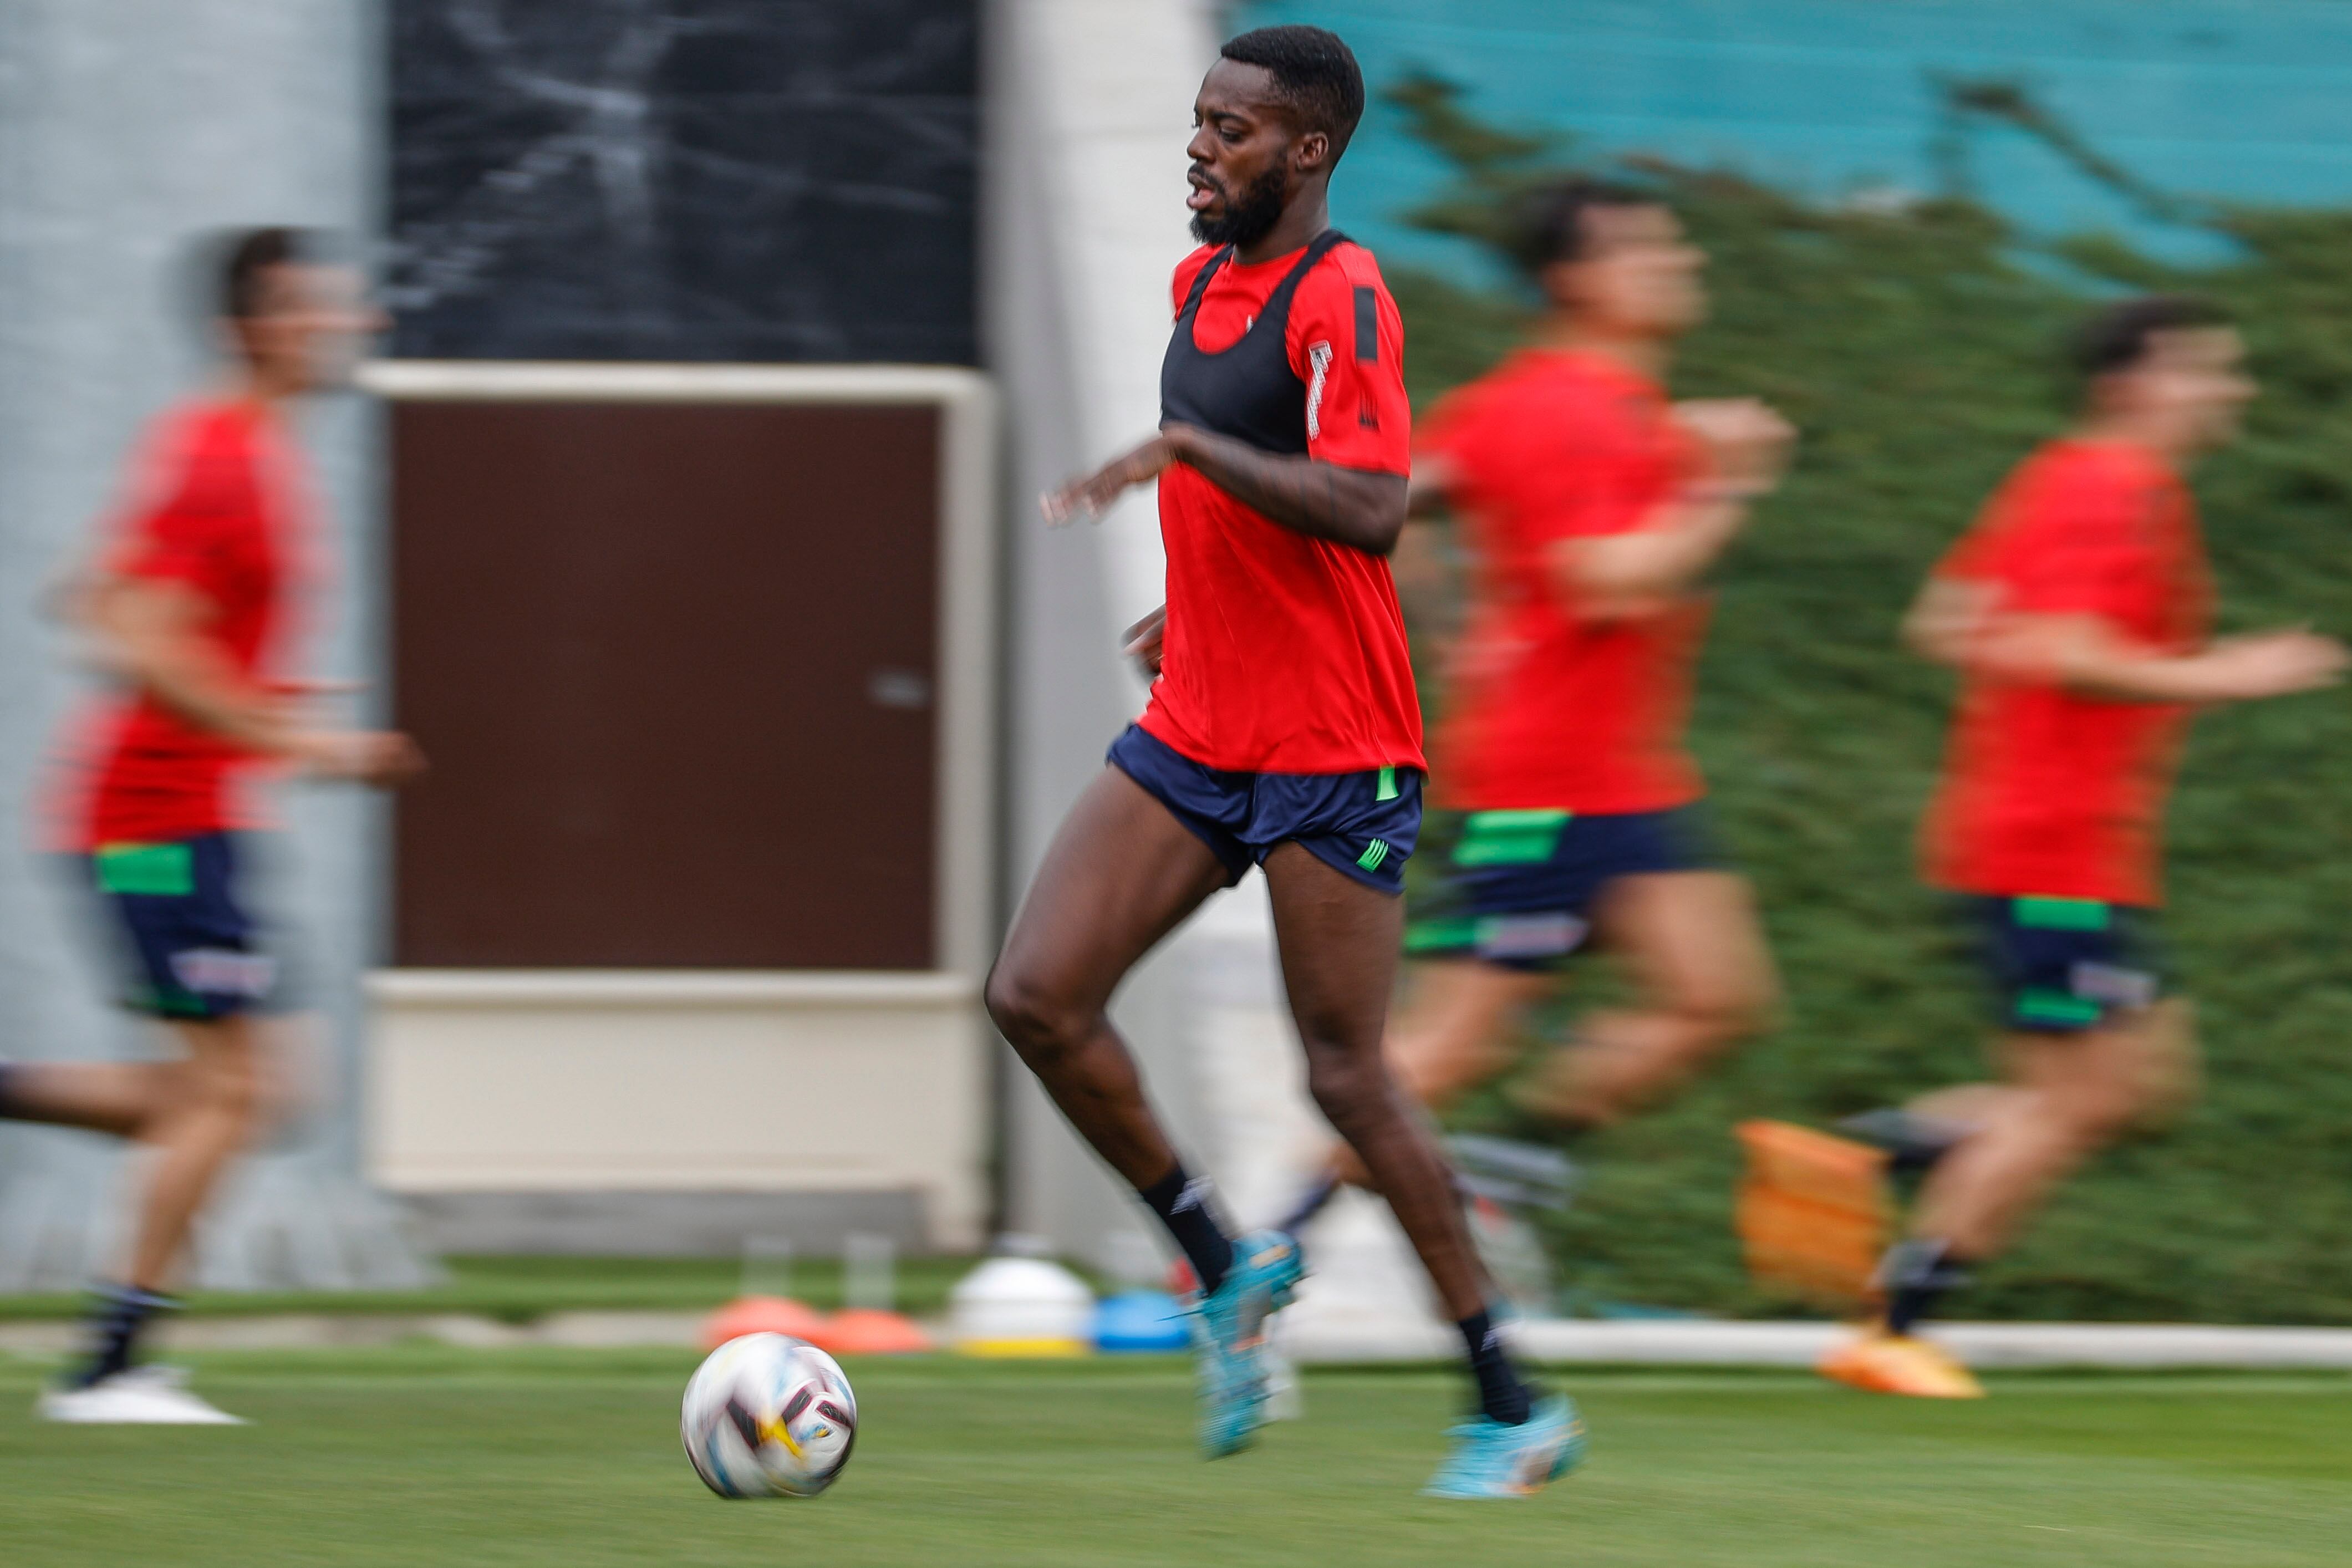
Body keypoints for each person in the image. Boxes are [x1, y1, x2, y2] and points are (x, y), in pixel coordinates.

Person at [987, 25, 1579, 1496]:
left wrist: (1183, 463)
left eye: (1234, 132)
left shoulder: (1344, 293)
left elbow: (1369, 504)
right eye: (1198, 122)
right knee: (1035, 996)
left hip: (1336, 745)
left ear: (1307, 151)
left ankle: (1510, 1402)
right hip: (1203, 722)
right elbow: (1254, 487)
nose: (1204, 148)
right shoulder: (1201, 282)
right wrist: (1191, 598)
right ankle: (1221, 1267)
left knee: (1346, 1076)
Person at [1820, 295, 2345, 1398]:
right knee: (2079, 1101)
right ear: (2132, 381)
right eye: (2208, 368)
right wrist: (2222, 672)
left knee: (2139, 1085)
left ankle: (1867, 1157)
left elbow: (1947, 619)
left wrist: (2046, 670)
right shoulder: (2121, 488)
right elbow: (2062, 645)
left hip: (2054, 840)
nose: (2231, 388)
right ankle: (1898, 1322)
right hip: (2052, 849)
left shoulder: (2061, 477)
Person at [1271, 178, 1791, 1240]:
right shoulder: (1578, 411)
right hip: (1549, 784)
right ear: (1573, 279)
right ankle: (1256, 1242)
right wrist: (1725, 487)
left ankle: (1523, 1153)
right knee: (1456, 1041)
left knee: (1714, 996)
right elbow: (1611, 581)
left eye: (1673, 247)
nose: (1678, 264)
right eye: (1646, 251)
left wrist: (1455, 623)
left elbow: (1408, 492)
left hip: (1622, 775)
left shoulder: (1540, 401)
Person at [0, 227, 421, 1423]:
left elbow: (91, 592)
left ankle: (114, 1347)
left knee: (248, 1094)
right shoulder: (224, 455)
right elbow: (126, 624)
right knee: (234, 1092)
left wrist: (272, 709)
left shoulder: (233, 450)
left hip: (186, 819)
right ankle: (111, 1365)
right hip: (153, 822)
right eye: (321, 311)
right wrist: (303, 741)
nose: (352, 325)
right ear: (256, 328)